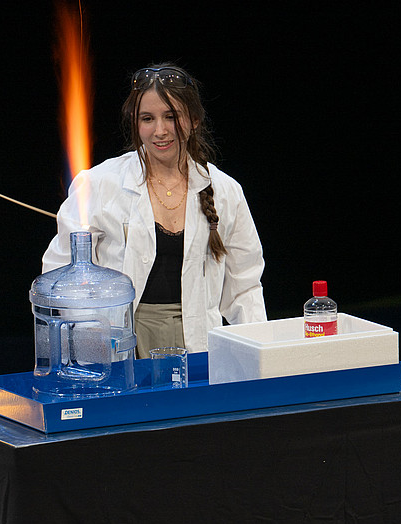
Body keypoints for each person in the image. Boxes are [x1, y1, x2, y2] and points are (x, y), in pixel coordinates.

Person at [42, 63, 266, 356]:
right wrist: (89, 335)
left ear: (194, 120)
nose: (159, 131)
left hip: (199, 342)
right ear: (135, 122)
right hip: (119, 344)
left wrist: (259, 354)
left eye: (171, 117)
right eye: (147, 118)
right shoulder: (99, 184)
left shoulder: (225, 191)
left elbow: (244, 287)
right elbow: (61, 274)